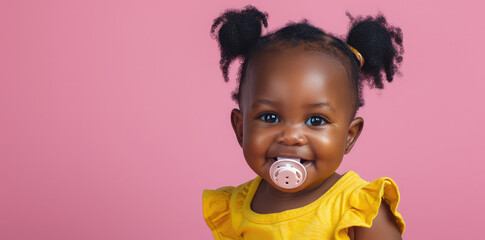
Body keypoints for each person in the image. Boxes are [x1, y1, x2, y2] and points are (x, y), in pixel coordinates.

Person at [202, 5, 405, 240]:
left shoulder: (359, 210)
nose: (290, 136)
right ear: (240, 129)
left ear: (349, 136)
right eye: (270, 117)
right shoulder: (235, 209)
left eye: (316, 120)